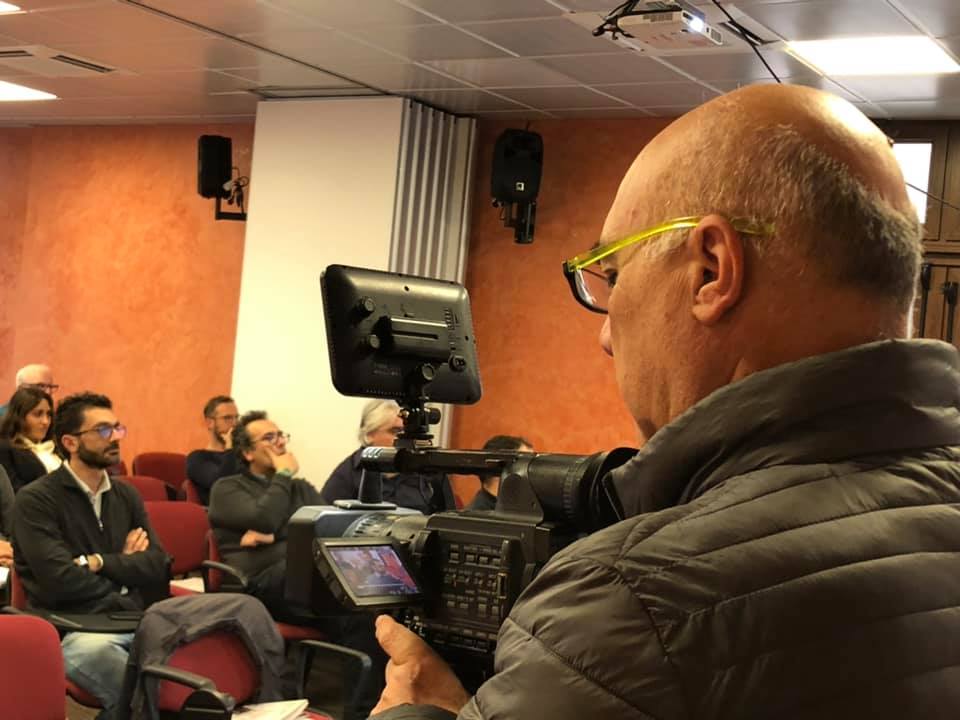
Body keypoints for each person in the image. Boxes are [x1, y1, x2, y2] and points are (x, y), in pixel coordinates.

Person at [367, 84, 960, 719]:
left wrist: (423, 711)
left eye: (614, 276)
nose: (604, 336)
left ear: (711, 270)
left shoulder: (631, 607)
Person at [13, 392, 170, 717]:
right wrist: (126, 572)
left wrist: (100, 562)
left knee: (190, 667)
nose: (114, 437)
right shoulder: (36, 500)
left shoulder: (126, 495)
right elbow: (61, 581)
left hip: (132, 619)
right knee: (141, 691)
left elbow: (157, 564)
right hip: (71, 628)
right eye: (102, 430)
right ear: (70, 442)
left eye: (117, 428)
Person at [208, 410, 324, 619]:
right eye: (269, 438)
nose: (280, 442)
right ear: (248, 453)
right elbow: (265, 520)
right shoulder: (226, 489)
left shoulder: (300, 488)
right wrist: (284, 473)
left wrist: (274, 536)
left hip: (301, 581)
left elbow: (328, 528)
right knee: (310, 568)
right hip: (258, 583)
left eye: (280, 435)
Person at [322, 399, 456, 514]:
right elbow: (326, 523)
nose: (403, 438)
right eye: (395, 431)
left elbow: (448, 520)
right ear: (369, 434)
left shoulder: (428, 472)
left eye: (405, 432)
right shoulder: (348, 473)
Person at [0, 385, 61, 492]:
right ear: (19, 417)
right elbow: (14, 492)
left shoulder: (57, 447)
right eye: (38, 414)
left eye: (48, 414)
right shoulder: (5, 449)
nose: (46, 421)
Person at [185, 395, 240, 504]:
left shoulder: (244, 455)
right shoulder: (197, 458)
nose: (235, 424)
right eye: (227, 418)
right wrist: (230, 448)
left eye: (236, 418)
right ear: (210, 423)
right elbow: (221, 484)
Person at [464, 435, 533, 512]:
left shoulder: (516, 508)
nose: (532, 472)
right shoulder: (477, 515)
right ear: (500, 468)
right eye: (526, 465)